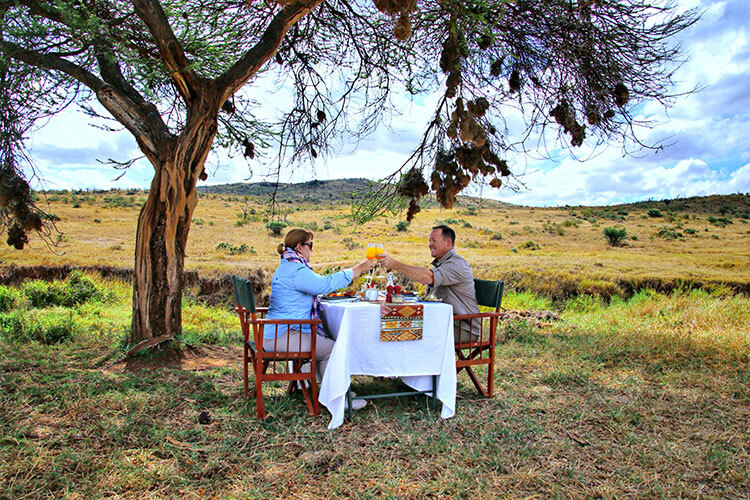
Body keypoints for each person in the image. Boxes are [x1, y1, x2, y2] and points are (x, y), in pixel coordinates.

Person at [267, 228, 374, 409]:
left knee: (324, 342)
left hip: (276, 331)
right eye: (310, 245)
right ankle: (336, 399)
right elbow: (324, 285)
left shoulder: (287, 265)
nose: (312, 250)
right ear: (300, 247)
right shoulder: (296, 270)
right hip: (281, 335)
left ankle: (334, 388)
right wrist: (359, 268)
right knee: (332, 349)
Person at [379, 225, 480, 342]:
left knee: (411, 333)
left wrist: (395, 264)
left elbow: (429, 277)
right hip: (443, 320)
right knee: (400, 327)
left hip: (463, 327)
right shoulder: (443, 263)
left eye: (434, 240)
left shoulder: (457, 264)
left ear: (447, 242)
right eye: (429, 241)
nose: (430, 244)